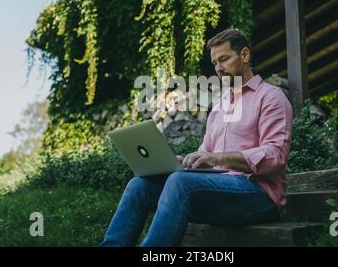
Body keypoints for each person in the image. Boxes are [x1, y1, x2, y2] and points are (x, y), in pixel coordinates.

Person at [100, 29, 293, 247]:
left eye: (224, 59)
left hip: (259, 196)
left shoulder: (270, 97)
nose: (219, 68)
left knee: (180, 182)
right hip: (219, 192)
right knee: (140, 185)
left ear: (245, 55)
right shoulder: (219, 108)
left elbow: (275, 156)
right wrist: (189, 162)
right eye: (214, 63)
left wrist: (217, 158)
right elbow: (206, 158)